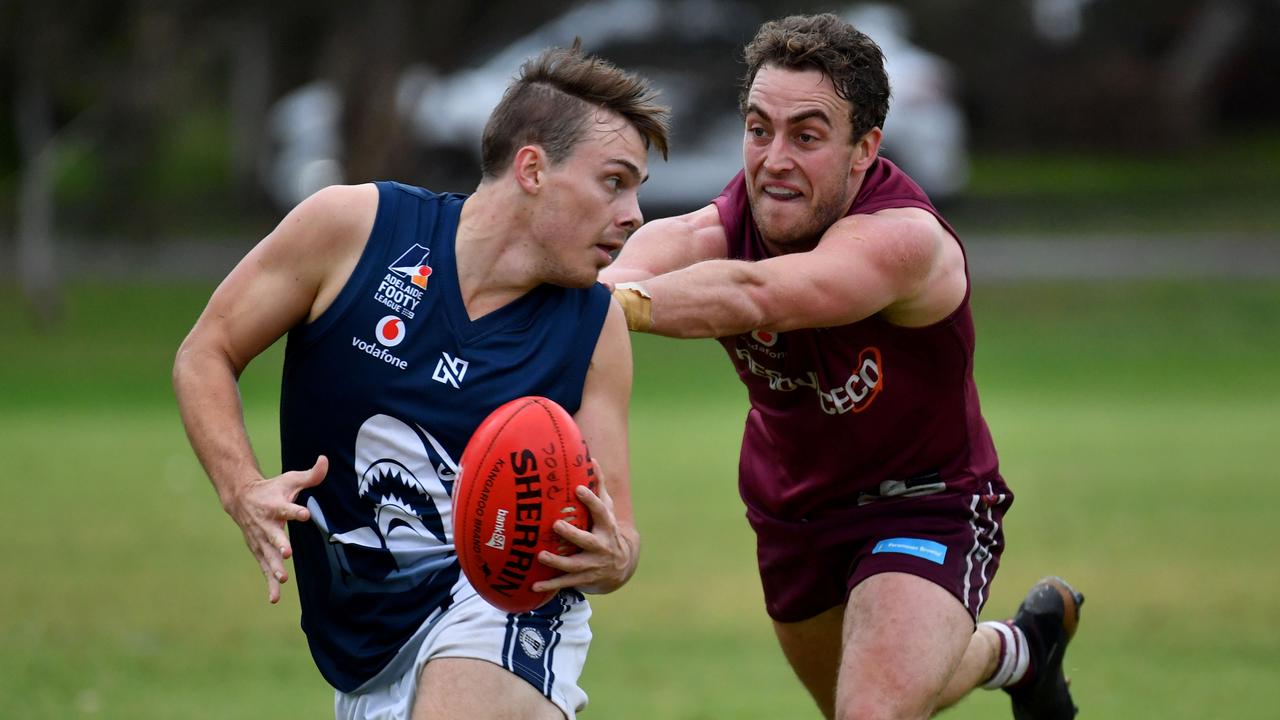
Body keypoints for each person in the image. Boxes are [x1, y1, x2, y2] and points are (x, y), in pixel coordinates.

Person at [601, 13, 1083, 720]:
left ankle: (1007, 649)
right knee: (860, 704)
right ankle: (1019, 652)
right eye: (759, 129)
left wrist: (612, 306)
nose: (774, 160)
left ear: (865, 148)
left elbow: (761, 293)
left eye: (807, 135)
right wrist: (584, 292)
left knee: (872, 711)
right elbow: (651, 252)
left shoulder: (904, 241)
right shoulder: (724, 227)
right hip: (791, 512)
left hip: (924, 501)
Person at [174, 44, 669, 720]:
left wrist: (614, 558)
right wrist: (243, 489)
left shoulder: (594, 327)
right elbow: (206, 351)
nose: (635, 213)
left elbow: (622, 536)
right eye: (615, 181)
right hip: (364, 646)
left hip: (502, 601)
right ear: (532, 168)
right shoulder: (353, 231)